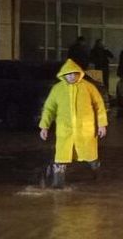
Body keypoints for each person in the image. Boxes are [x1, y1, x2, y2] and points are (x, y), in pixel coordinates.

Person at [39, 59, 108, 189]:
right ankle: (58, 185)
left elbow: (99, 106)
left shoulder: (88, 87)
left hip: (85, 130)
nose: (71, 76)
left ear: (78, 74)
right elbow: (49, 109)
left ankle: (98, 175)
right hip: (65, 131)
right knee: (61, 157)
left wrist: (102, 125)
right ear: (64, 75)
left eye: (74, 74)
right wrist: (44, 127)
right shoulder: (57, 89)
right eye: (69, 74)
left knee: (90, 157)